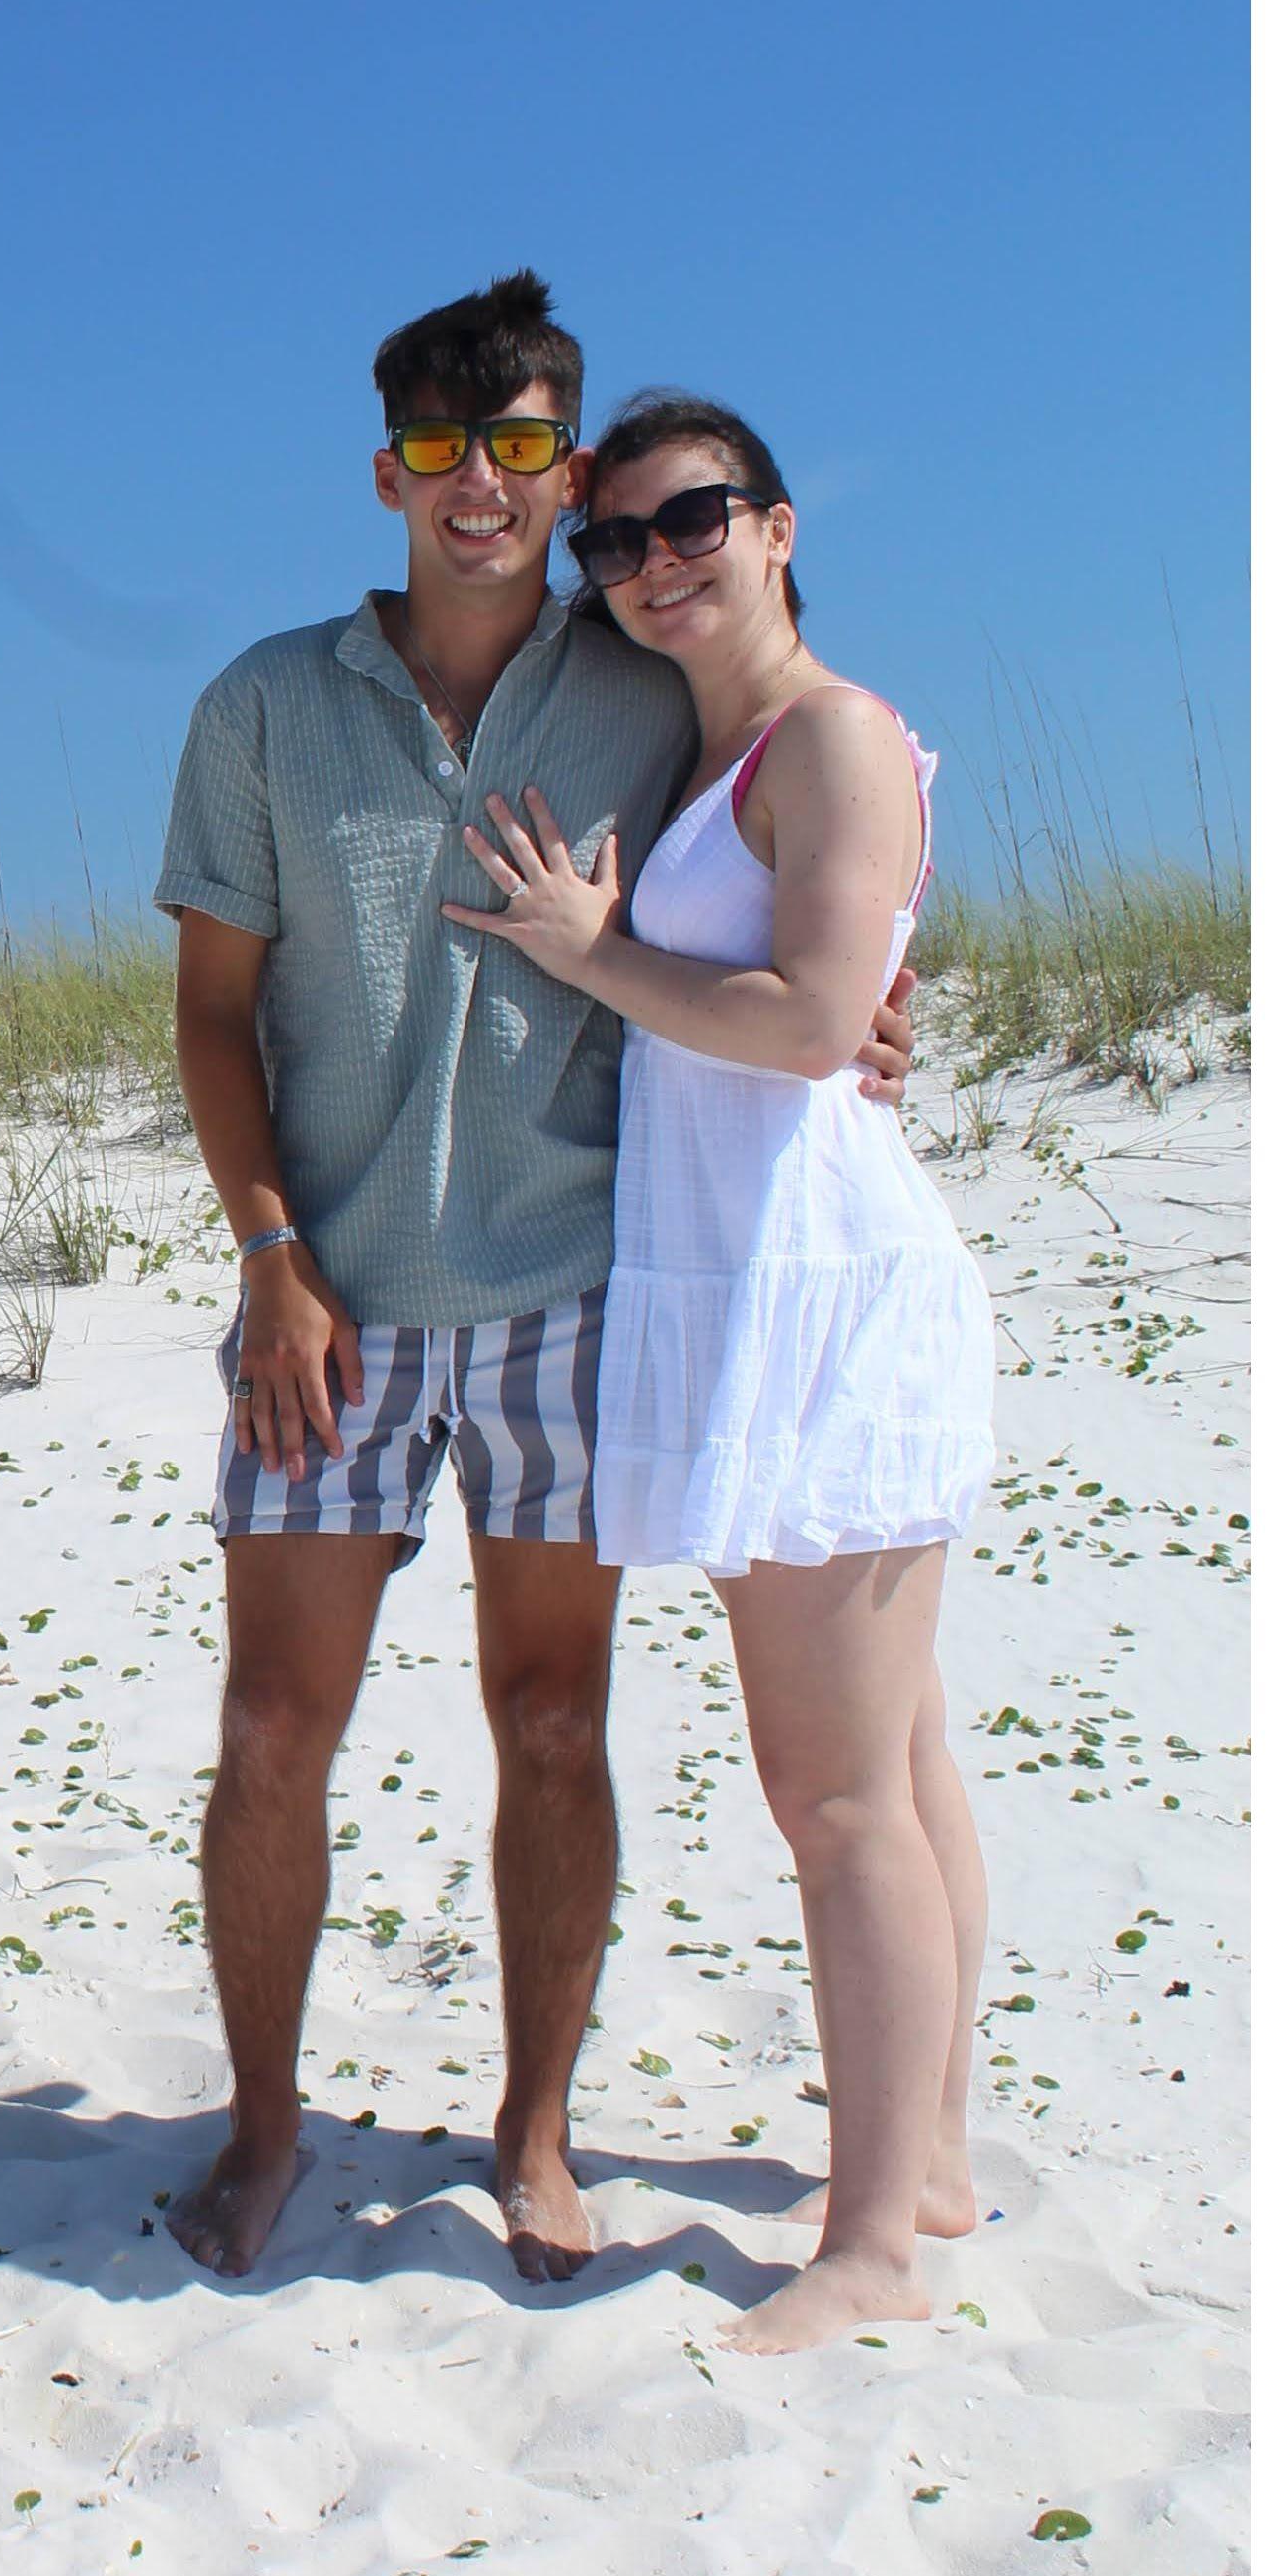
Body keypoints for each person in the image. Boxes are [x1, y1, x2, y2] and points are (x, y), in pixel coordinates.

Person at [151, 273, 915, 2285]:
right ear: (385, 471)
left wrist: (883, 995)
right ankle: (259, 2125)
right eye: (434, 450)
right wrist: (270, 1260)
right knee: (268, 1731)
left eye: (516, 449)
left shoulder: (646, 684)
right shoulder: (261, 702)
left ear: (562, 467)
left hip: (574, 1289)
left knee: (554, 1719)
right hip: (324, 1299)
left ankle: (537, 2131)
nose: (475, 488)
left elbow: (796, 847)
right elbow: (213, 1017)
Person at [453, 395, 1000, 2350]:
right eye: (614, 540)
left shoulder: (831, 735)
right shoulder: (711, 754)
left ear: (775, 524)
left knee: (834, 1789)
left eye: (688, 520)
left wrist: (588, 949)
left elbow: (804, 1018)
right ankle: (923, 2148)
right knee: (899, 1755)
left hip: (826, 1300)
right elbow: (822, 1006)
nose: (649, 559)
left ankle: (866, 2254)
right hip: (757, 1283)